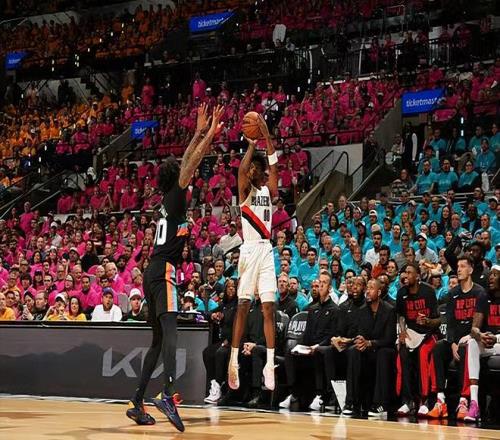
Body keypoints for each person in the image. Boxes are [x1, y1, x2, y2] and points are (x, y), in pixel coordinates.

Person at [127, 103, 223, 431]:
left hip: (151, 271)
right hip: (163, 270)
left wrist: (197, 132)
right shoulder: (177, 195)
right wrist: (208, 135)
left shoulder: (167, 201)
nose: (188, 175)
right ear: (177, 179)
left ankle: (137, 402)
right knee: (171, 334)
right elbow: (191, 162)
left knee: (157, 341)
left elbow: (185, 161)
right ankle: (167, 393)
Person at [227, 114, 279, 392]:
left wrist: (267, 137)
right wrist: (250, 145)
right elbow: (240, 172)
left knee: (268, 307)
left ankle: (270, 364)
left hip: (266, 250)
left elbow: (274, 164)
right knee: (244, 306)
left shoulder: (269, 191)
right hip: (248, 251)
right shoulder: (245, 192)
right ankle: (233, 360)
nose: (249, 172)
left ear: (261, 172)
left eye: (254, 169)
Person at [429, 255, 488, 419]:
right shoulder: (452, 294)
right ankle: (440, 399)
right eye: (458, 266)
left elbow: (479, 324)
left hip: (472, 339)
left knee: (464, 348)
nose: (459, 269)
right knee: (438, 348)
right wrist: (452, 342)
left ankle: (464, 400)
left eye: (463, 266)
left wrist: (463, 340)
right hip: (455, 339)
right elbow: (449, 322)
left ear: (471, 269)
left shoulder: (479, 292)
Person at [279, 271, 338, 410]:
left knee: (318, 352)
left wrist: (316, 346)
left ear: (330, 288)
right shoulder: (312, 309)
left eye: (323, 283)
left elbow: (332, 335)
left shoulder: (335, 309)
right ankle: (293, 393)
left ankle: (320, 395)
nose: (320, 286)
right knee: (290, 353)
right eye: (319, 283)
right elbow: (307, 334)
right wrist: (301, 347)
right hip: (310, 346)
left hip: (323, 347)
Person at [342, 279, 396, 417]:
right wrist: (360, 340)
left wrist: (370, 343)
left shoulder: (389, 310)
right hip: (368, 349)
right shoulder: (362, 310)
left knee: (383, 353)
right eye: (367, 288)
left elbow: (389, 339)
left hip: (383, 348)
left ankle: (380, 404)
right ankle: (351, 402)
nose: (367, 291)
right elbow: (361, 332)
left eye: (371, 288)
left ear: (379, 292)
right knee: (353, 351)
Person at [396, 263, 441, 417]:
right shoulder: (401, 293)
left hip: (429, 333)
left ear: (417, 276)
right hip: (412, 333)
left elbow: (438, 320)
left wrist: (427, 321)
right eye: (404, 272)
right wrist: (402, 331)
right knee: (402, 353)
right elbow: (401, 315)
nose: (405, 275)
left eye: (409, 272)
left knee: (423, 353)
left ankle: (425, 400)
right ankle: (408, 400)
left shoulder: (428, 291)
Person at [462, 265, 500, 422]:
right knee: (472, 343)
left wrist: (497, 338)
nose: (490, 277)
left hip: (499, 340)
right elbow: (474, 328)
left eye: (495, 275)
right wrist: (480, 335)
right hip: (490, 342)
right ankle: (474, 404)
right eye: (490, 274)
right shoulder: (484, 296)